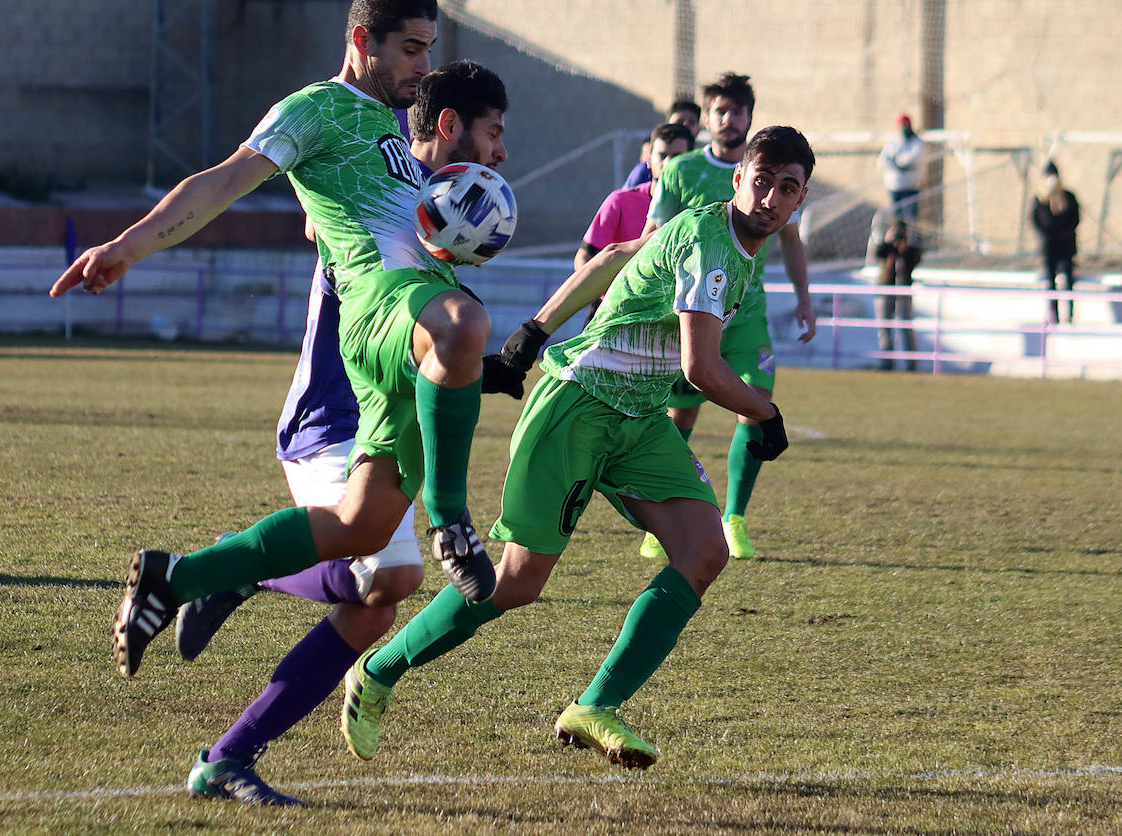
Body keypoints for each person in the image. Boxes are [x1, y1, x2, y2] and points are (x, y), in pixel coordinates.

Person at [49, 0, 499, 684]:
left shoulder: (391, 125)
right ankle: (451, 519)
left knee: (364, 531)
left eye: (429, 49)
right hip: (378, 312)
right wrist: (126, 246)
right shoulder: (314, 108)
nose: (424, 66)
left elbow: (376, 213)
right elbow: (223, 179)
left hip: (390, 355)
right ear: (362, 40)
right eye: (412, 50)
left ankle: (180, 575)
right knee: (464, 321)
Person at [339, 126, 814, 772]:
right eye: (762, 181)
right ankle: (377, 670)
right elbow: (702, 368)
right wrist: (765, 412)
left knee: (705, 551)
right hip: (579, 404)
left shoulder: (716, 233)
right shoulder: (713, 242)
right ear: (738, 180)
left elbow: (619, 253)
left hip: (640, 418)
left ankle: (597, 706)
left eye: (787, 189)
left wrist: (535, 329)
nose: (771, 198)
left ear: (800, 201)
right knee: (515, 582)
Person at [167, 61, 509, 806]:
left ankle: (228, 751)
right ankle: (233, 581)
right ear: (447, 125)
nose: (501, 152)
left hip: (382, 408)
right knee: (381, 578)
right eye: (493, 132)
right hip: (331, 413)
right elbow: (308, 204)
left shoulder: (432, 210)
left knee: (384, 592)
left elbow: (438, 340)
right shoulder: (361, 185)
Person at [643, 72, 815, 561]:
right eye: (720, 110)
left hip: (747, 313)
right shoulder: (679, 171)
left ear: (748, 117)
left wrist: (805, 298)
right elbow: (653, 235)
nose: (728, 118)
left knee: (754, 403)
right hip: (691, 311)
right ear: (707, 117)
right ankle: (660, 516)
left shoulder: (778, 171)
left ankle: (735, 515)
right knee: (681, 413)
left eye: (737, 111)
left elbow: (792, 241)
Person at [575, 122, 694, 273]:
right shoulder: (619, 201)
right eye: (662, 156)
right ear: (649, 161)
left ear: (691, 162)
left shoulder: (698, 208)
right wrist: (597, 296)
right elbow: (585, 256)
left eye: (677, 157)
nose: (668, 163)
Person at [1031, 160, 1081, 324]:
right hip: (1049, 247)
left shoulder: (1067, 197)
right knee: (1051, 282)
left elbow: (1075, 218)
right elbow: (1036, 220)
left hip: (1066, 246)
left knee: (1068, 278)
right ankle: (1054, 314)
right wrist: (1047, 233)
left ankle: (1070, 313)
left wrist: (1064, 231)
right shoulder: (1041, 199)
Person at [872, 219, 922, 371]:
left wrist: (903, 249)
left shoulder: (910, 251)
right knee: (884, 327)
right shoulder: (886, 248)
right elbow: (878, 252)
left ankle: (911, 364)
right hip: (885, 289)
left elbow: (916, 257)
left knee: (906, 327)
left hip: (903, 292)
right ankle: (886, 363)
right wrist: (890, 243)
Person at [621, 96, 702, 188]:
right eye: (679, 121)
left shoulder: (703, 170)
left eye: (691, 122)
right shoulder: (645, 171)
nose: (685, 126)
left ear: (698, 129)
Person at [877, 112, 924, 221]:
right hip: (894, 187)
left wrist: (896, 161)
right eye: (902, 125)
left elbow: (910, 159)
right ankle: (899, 237)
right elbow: (882, 161)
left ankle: (913, 238)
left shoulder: (917, 142)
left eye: (905, 125)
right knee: (896, 219)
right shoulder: (894, 142)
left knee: (911, 219)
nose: (903, 128)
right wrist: (895, 162)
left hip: (910, 187)